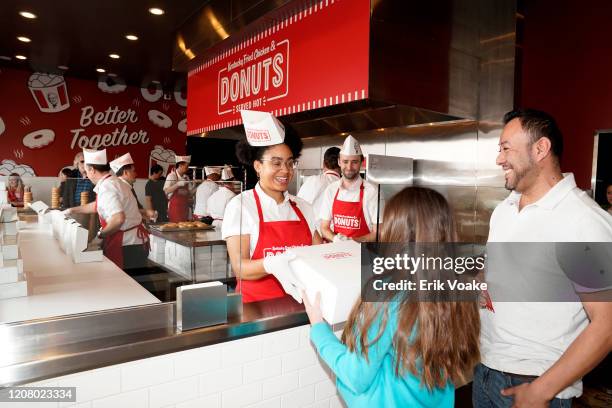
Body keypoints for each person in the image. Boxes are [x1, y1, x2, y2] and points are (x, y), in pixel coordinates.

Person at [474, 109, 612, 407]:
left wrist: (542, 390)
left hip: (536, 384)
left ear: (540, 149)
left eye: (506, 148)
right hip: (485, 371)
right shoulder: (504, 210)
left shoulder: (582, 221)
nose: (499, 159)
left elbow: (607, 323)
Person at [303, 187, 481, 407]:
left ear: (396, 231)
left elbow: (356, 376)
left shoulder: (388, 294)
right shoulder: (460, 288)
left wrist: (319, 329)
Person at [222, 110, 323, 303]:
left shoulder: (303, 207)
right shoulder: (241, 206)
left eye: (290, 163)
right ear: (258, 166)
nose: (285, 170)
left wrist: (341, 249)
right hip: (256, 310)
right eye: (276, 163)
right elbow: (240, 268)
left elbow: (319, 256)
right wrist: (271, 264)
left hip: (302, 306)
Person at [64, 149, 150, 271]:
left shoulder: (107, 187)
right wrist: (72, 210)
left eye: (87, 171)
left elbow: (118, 219)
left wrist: (99, 236)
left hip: (127, 245)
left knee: (130, 285)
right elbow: (99, 205)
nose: (87, 175)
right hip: (134, 243)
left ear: (92, 170)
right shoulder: (113, 181)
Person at [319, 135, 384, 243]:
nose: (349, 167)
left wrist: (353, 241)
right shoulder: (331, 189)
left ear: (361, 163)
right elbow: (324, 227)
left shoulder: (373, 191)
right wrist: (335, 239)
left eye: (354, 162)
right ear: (339, 162)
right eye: (345, 162)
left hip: (363, 254)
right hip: (338, 253)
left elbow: (379, 232)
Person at [297, 146, 341, 222]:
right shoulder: (344, 186)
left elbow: (298, 207)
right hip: (334, 233)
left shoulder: (312, 180)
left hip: (311, 230)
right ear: (341, 165)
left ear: (323, 164)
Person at [110, 153, 156, 221]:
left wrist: (146, 214)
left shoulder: (128, 187)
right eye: (133, 171)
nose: (136, 174)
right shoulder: (118, 188)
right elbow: (124, 211)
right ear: (126, 173)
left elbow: (133, 207)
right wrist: (146, 212)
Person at [164, 155, 196, 222]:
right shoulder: (171, 176)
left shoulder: (186, 177)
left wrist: (196, 188)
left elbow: (189, 194)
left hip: (184, 207)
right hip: (175, 208)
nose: (188, 168)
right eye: (186, 166)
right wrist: (177, 185)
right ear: (180, 165)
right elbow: (166, 191)